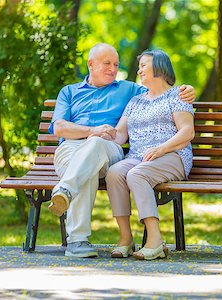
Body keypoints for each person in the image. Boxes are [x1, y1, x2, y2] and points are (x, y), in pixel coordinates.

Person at [48, 43, 195, 258]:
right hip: (77, 149)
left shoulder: (133, 90)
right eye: (107, 63)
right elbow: (61, 128)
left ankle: (67, 195)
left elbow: (163, 90)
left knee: (97, 148)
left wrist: (188, 89)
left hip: (125, 151)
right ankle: (124, 238)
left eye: (116, 64)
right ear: (91, 64)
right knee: (102, 167)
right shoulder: (71, 92)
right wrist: (95, 131)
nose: (114, 68)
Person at [103, 49, 194, 260]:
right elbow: (119, 136)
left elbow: (187, 132)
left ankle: (154, 240)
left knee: (137, 174)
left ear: (160, 66)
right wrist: (99, 135)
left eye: (144, 65)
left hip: (174, 155)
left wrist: (161, 148)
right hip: (139, 157)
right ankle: (126, 238)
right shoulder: (135, 101)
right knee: (114, 173)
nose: (139, 69)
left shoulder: (177, 95)